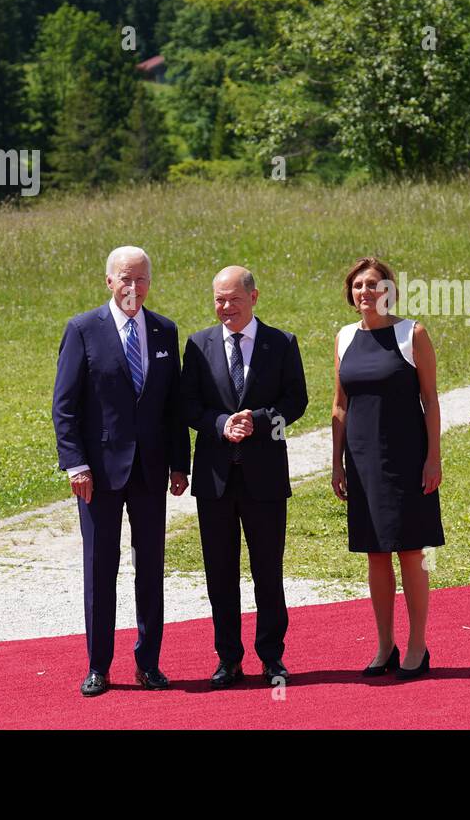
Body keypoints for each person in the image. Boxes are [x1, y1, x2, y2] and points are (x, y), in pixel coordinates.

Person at [52, 246, 190, 697]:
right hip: (98, 475)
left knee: (150, 568)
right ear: (109, 281)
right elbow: (65, 407)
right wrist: (76, 464)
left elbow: (173, 407)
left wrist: (178, 464)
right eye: (125, 279)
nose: (134, 288)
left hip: (151, 472)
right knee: (100, 568)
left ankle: (148, 663)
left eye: (142, 279)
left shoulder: (165, 331)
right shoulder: (82, 330)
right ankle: (99, 666)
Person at [181, 266, 307, 689]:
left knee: (267, 571)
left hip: (265, 478)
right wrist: (220, 424)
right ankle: (228, 658)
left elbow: (296, 401)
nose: (225, 307)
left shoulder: (281, 343)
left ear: (253, 298)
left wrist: (257, 419)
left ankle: (272, 657)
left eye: (233, 299)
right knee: (220, 573)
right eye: (219, 299)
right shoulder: (198, 345)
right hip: (215, 480)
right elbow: (188, 406)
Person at [331, 257, 443, 680]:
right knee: (375, 554)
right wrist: (336, 462)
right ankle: (384, 646)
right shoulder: (343, 338)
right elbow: (340, 405)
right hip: (361, 462)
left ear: (389, 291)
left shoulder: (412, 333)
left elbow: (430, 400)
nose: (365, 292)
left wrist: (433, 458)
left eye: (373, 285)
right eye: (358, 286)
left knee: (411, 552)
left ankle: (417, 646)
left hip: (407, 458)